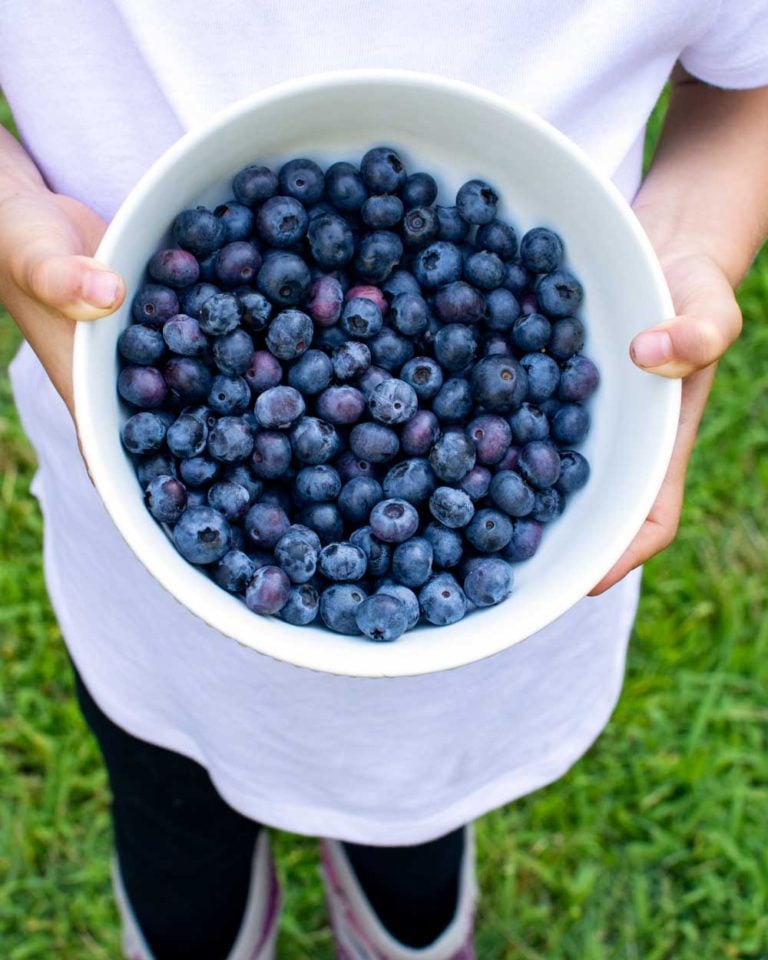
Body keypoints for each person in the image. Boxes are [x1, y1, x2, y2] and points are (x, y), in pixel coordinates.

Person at [1, 2, 767, 958]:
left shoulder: (475, 439)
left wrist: (694, 247)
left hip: (490, 661)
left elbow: (745, 88)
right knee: (169, 802)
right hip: (137, 575)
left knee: (420, 808)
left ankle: (402, 922)